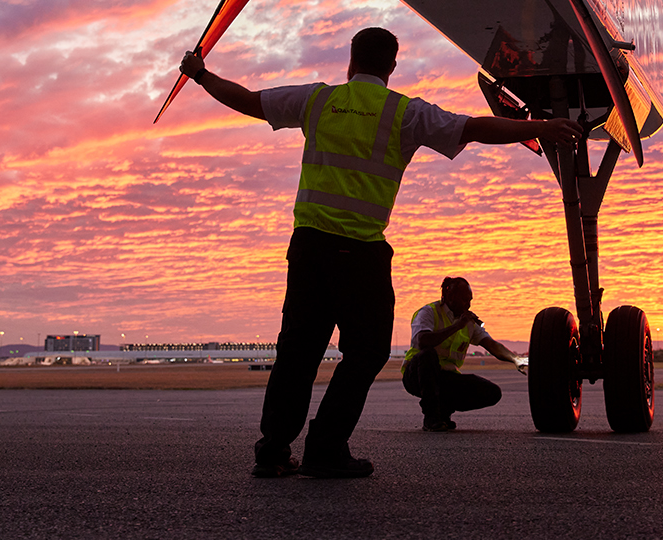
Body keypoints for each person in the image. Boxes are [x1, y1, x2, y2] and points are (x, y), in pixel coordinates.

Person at [179, 27, 580, 478]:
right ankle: (326, 447)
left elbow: (249, 100)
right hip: (361, 252)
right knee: (367, 352)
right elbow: (474, 128)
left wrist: (201, 74)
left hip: (309, 247)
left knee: (298, 352)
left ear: (351, 60)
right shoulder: (404, 113)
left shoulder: (317, 101)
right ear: (392, 66)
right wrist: (542, 126)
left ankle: (273, 450)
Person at [401, 276, 526, 431]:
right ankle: (431, 416)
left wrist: (516, 359)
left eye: (470, 300)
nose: (468, 304)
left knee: (492, 392)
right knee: (428, 355)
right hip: (417, 376)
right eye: (464, 299)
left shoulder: (468, 322)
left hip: (446, 377)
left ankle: (444, 412)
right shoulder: (428, 312)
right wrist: (458, 325)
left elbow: (492, 345)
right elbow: (423, 341)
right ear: (449, 297)